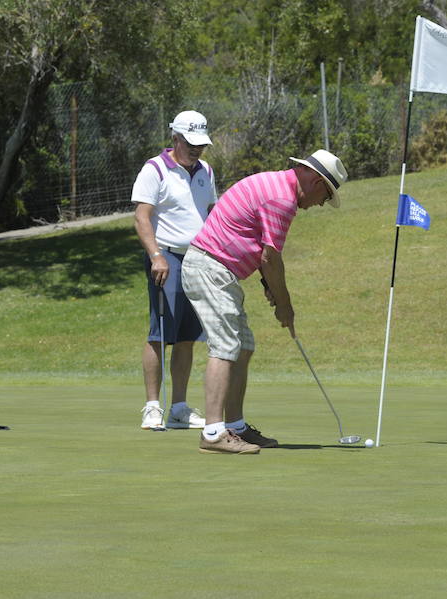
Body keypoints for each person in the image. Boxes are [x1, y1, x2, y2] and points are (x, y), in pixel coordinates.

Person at [181, 149, 348, 454]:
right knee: (225, 346)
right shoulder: (281, 199)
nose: (320, 204)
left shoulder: (276, 186)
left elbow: (256, 244)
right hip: (209, 268)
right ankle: (214, 432)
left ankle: (236, 426)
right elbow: (271, 258)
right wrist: (285, 305)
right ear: (315, 181)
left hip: (218, 271)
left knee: (242, 346)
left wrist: (267, 284)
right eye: (326, 195)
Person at [132, 110, 217, 430]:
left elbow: (211, 212)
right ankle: (152, 406)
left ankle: (178, 408)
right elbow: (142, 217)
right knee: (159, 332)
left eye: (201, 144)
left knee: (187, 336)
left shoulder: (206, 171)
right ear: (175, 138)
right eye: (191, 143)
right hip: (165, 257)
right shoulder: (154, 169)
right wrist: (156, 256)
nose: (197, 150)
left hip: (198, 259)